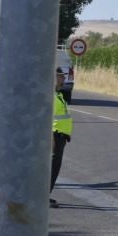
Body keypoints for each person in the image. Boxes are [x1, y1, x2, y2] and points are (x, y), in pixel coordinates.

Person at [50, 67, 73, 208]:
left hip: (60, 136)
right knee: (52, 168)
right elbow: (45, 119)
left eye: (63, 76)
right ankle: (42, 197)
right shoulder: (51, 96)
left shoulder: (58, 94)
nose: (63, 78)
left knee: (54, 167)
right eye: (60, 76)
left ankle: (44, 195)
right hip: (54, 135)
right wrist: (51, 138)